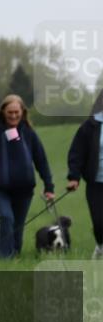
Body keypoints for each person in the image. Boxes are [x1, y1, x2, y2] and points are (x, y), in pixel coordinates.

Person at [0, 94, 55, 258]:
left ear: (22, 112)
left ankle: (14, 257)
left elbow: (41, 161)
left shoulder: (29, 134)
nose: (14, 116)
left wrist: (49, 186)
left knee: (18, 227)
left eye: (17, 112)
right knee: (7, 217)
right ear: (3, 112)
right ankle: (4, 259)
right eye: (10, 112)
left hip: (24, 190)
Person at [66, 90, 103, 259]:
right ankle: (101, 245)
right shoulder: (91, 126)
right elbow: (77, 153)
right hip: (96, 183)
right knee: (99, 222)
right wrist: (74, 177)